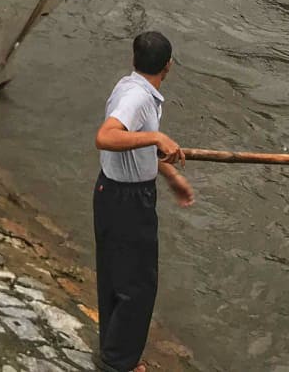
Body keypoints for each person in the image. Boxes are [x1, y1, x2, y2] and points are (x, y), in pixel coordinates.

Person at [93, 31, 195, 372]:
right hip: (127, 200)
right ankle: (120, 364)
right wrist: (157, 136)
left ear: (134, 59)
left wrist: (171, 177)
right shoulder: (136, 98)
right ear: (168, 66)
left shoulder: (131, 87)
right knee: (137, 285)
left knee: (115, 277)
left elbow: (136, 147)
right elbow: (106, 137)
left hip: (112, 192)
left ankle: (112, 353)